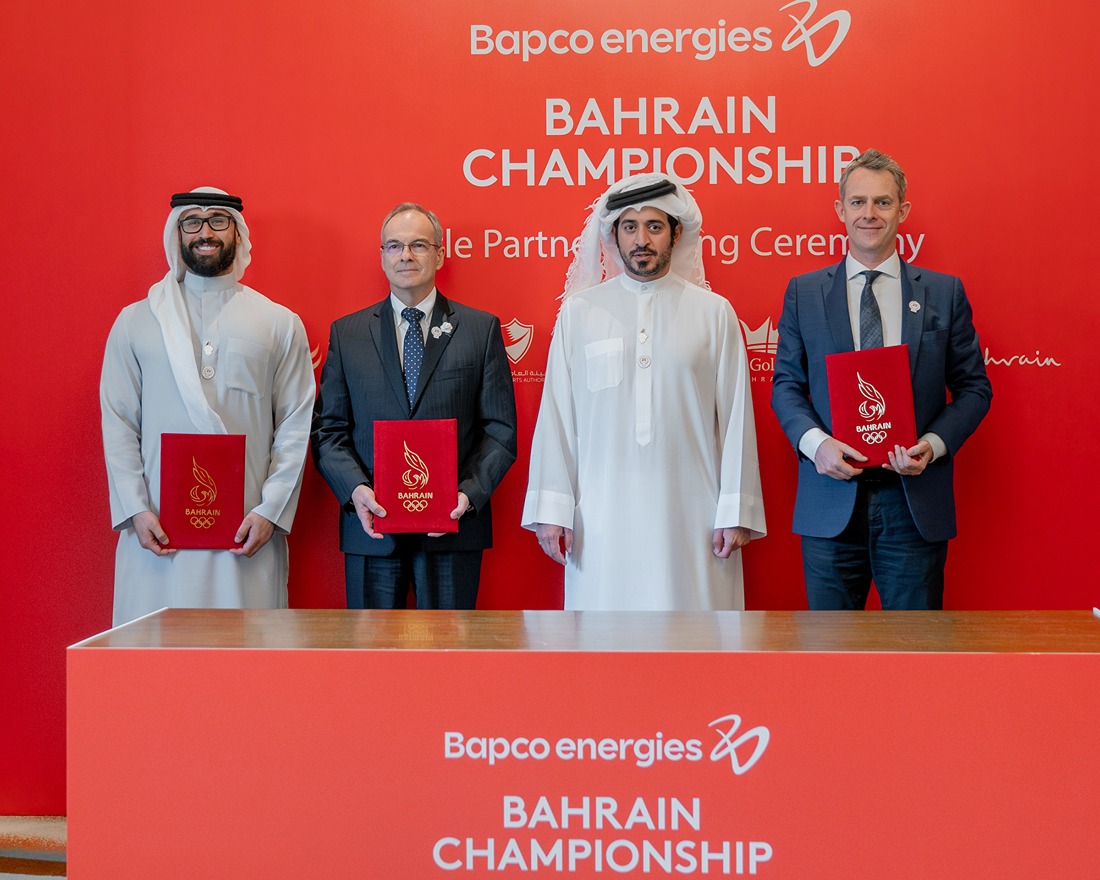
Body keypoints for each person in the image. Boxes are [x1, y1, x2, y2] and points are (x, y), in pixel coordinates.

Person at [522, 174, 766, 610]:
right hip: (600, 518)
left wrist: (736, 511)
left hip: (694, 518)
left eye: (654, 226)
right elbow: (558, 416)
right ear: (614, 235)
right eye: (629, 227)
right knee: (602, 640)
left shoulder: (714, 313)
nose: (641, 240)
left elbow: (736, 420)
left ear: (676, 233)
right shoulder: (580, 313)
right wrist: (553, 509)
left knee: (697, 638)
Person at [771, 149, 992, 610]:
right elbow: (786, 385)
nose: (869, 213)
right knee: (830, 647)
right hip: (830, 499)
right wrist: (817, 445)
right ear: (840, 210)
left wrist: (932, 445)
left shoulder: (944, 292)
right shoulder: (804, 292)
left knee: (914, 647)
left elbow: (974, 389)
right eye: (857, 202)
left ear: (902, 210)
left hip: (912, 504)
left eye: (883, 202)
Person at [100, 187, 316, 626]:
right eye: (192, 222)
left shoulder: (279, 323)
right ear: (176, 232)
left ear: (238, 232)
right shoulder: (135, 321)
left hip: (246, 532)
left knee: (244, 655)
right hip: (157, 533)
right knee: (154, 654)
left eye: (218, 220)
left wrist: (270, 510)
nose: (205, 232)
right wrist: (136, 509)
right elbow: (119, 421)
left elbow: (295, 424)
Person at [311, 202, 517, 609]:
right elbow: (328, 431)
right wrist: (355, 490)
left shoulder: (480, 329)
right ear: (382, 256)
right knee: (370, 648)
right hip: (371, 527)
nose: (405, 255)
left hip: (452, 527)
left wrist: (468, 494)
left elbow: (500, 430)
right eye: (394, 246)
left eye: (418, 245)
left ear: (439, 255)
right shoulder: (348, 334)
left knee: (450, 647)